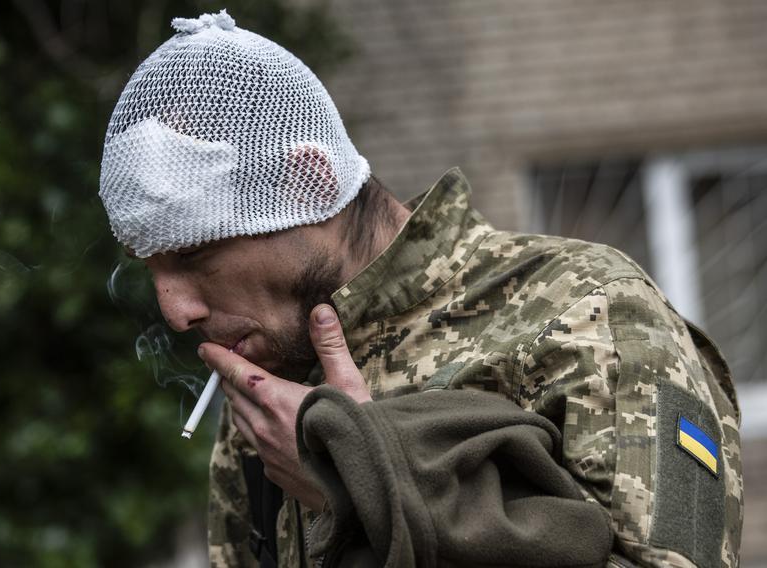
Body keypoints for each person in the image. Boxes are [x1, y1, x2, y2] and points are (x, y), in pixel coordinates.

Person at [98, 10, 743, 568]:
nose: (175, 310)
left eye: (197, 253)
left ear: (305, 182)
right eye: (149, 267)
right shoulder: (271, 393)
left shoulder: (588, 311)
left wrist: (362, 484)